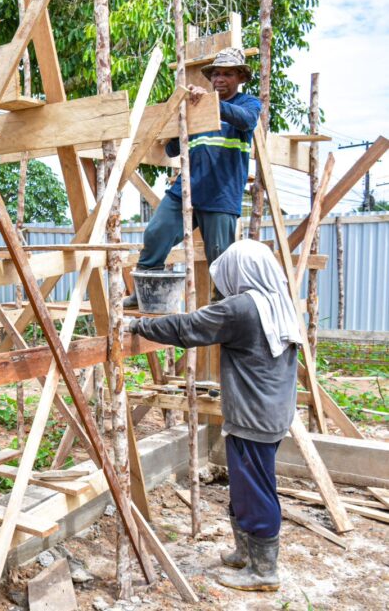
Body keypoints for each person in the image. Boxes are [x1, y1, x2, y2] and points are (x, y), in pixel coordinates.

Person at [128, 239, 301, 592]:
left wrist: (138, 326)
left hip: (254, 416)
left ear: (242, 272)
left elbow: (188, 327)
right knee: (244, 487)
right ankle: (245, 554)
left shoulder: (242, 309)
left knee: (256, 492)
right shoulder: (276, 302)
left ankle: (264, 571)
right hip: (269, 412)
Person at [125, 47, 262, 308]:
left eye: (228, 74)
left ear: (241, 78)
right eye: (217, 74)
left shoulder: (247, 105)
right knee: (156, 233)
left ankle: (224, 306)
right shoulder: (197, 108)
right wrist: (177, 119)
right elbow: (172, 149)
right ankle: (144, 293)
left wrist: (212, 105)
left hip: (220, 194)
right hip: (187, 188)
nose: (220, 79)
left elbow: (246, 121)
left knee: (220, 257)